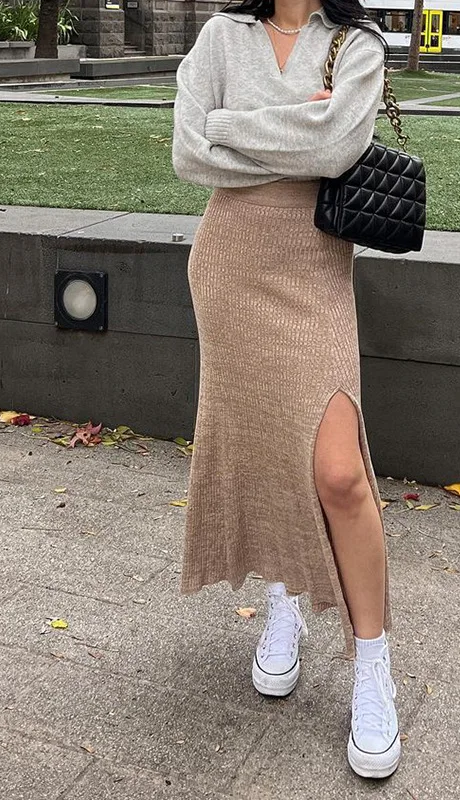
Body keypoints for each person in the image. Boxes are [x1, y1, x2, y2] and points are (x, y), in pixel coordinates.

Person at [171, 0, 400, 780]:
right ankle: (284, 601)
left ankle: (373, 663)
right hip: (228, 268)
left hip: (312, 275)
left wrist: (230, 125)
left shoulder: (357, 44)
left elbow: (338, 147)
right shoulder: (220, 37)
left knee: (339, 474)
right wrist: (296, 130)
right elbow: (188, 153)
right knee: (265, 448)